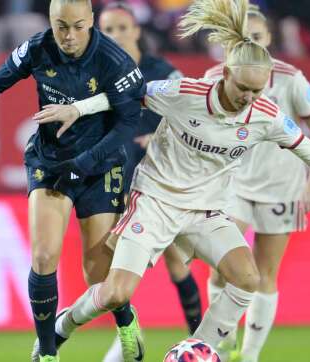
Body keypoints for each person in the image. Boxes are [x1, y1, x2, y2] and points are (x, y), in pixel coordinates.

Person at [32, 0, 310, 358]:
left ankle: (199, 347)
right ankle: (64, 325)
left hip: (205, 211)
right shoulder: (186, 93)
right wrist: (77, 108)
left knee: (248, 278)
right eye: (243, 88)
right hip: (155, 201)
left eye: (257, 91)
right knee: (115, 294)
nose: (248, 98)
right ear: (226, 74)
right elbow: (124, 97)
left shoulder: (265, 115)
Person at [0, 1, 145, 361]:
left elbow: (126, 125)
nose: (68, 36)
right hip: (51, 162)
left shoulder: (114, 61)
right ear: (50, 22)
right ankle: (47, 352)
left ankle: (125, 320)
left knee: (97, 273)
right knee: (43, 256)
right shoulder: (38, 47)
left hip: (100, 165)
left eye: (76, 26)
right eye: (61, 26)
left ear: (90, 21)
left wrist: (86, 162)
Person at [202, 6, 310, 361]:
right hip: (233, 186)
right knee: (221, 267)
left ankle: (250, 354)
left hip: (282, 187)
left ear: (269, 39)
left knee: (264, 275)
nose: (251, 44)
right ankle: (222, 336)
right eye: (244, 39)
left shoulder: (290, 78)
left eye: (257, 37)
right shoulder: (215, 76)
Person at [95, 3, 202, 360]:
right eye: (107, 30)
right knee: (114, 264)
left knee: (176, 262)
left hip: (160, 178)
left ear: (137, 31)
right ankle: (127, 335)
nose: (115, 36)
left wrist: (157, 136)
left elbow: (192, 112)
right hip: (118, 178)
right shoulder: (95, 74)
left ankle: (200, 340)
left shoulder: (159, 71)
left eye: (121, 28)